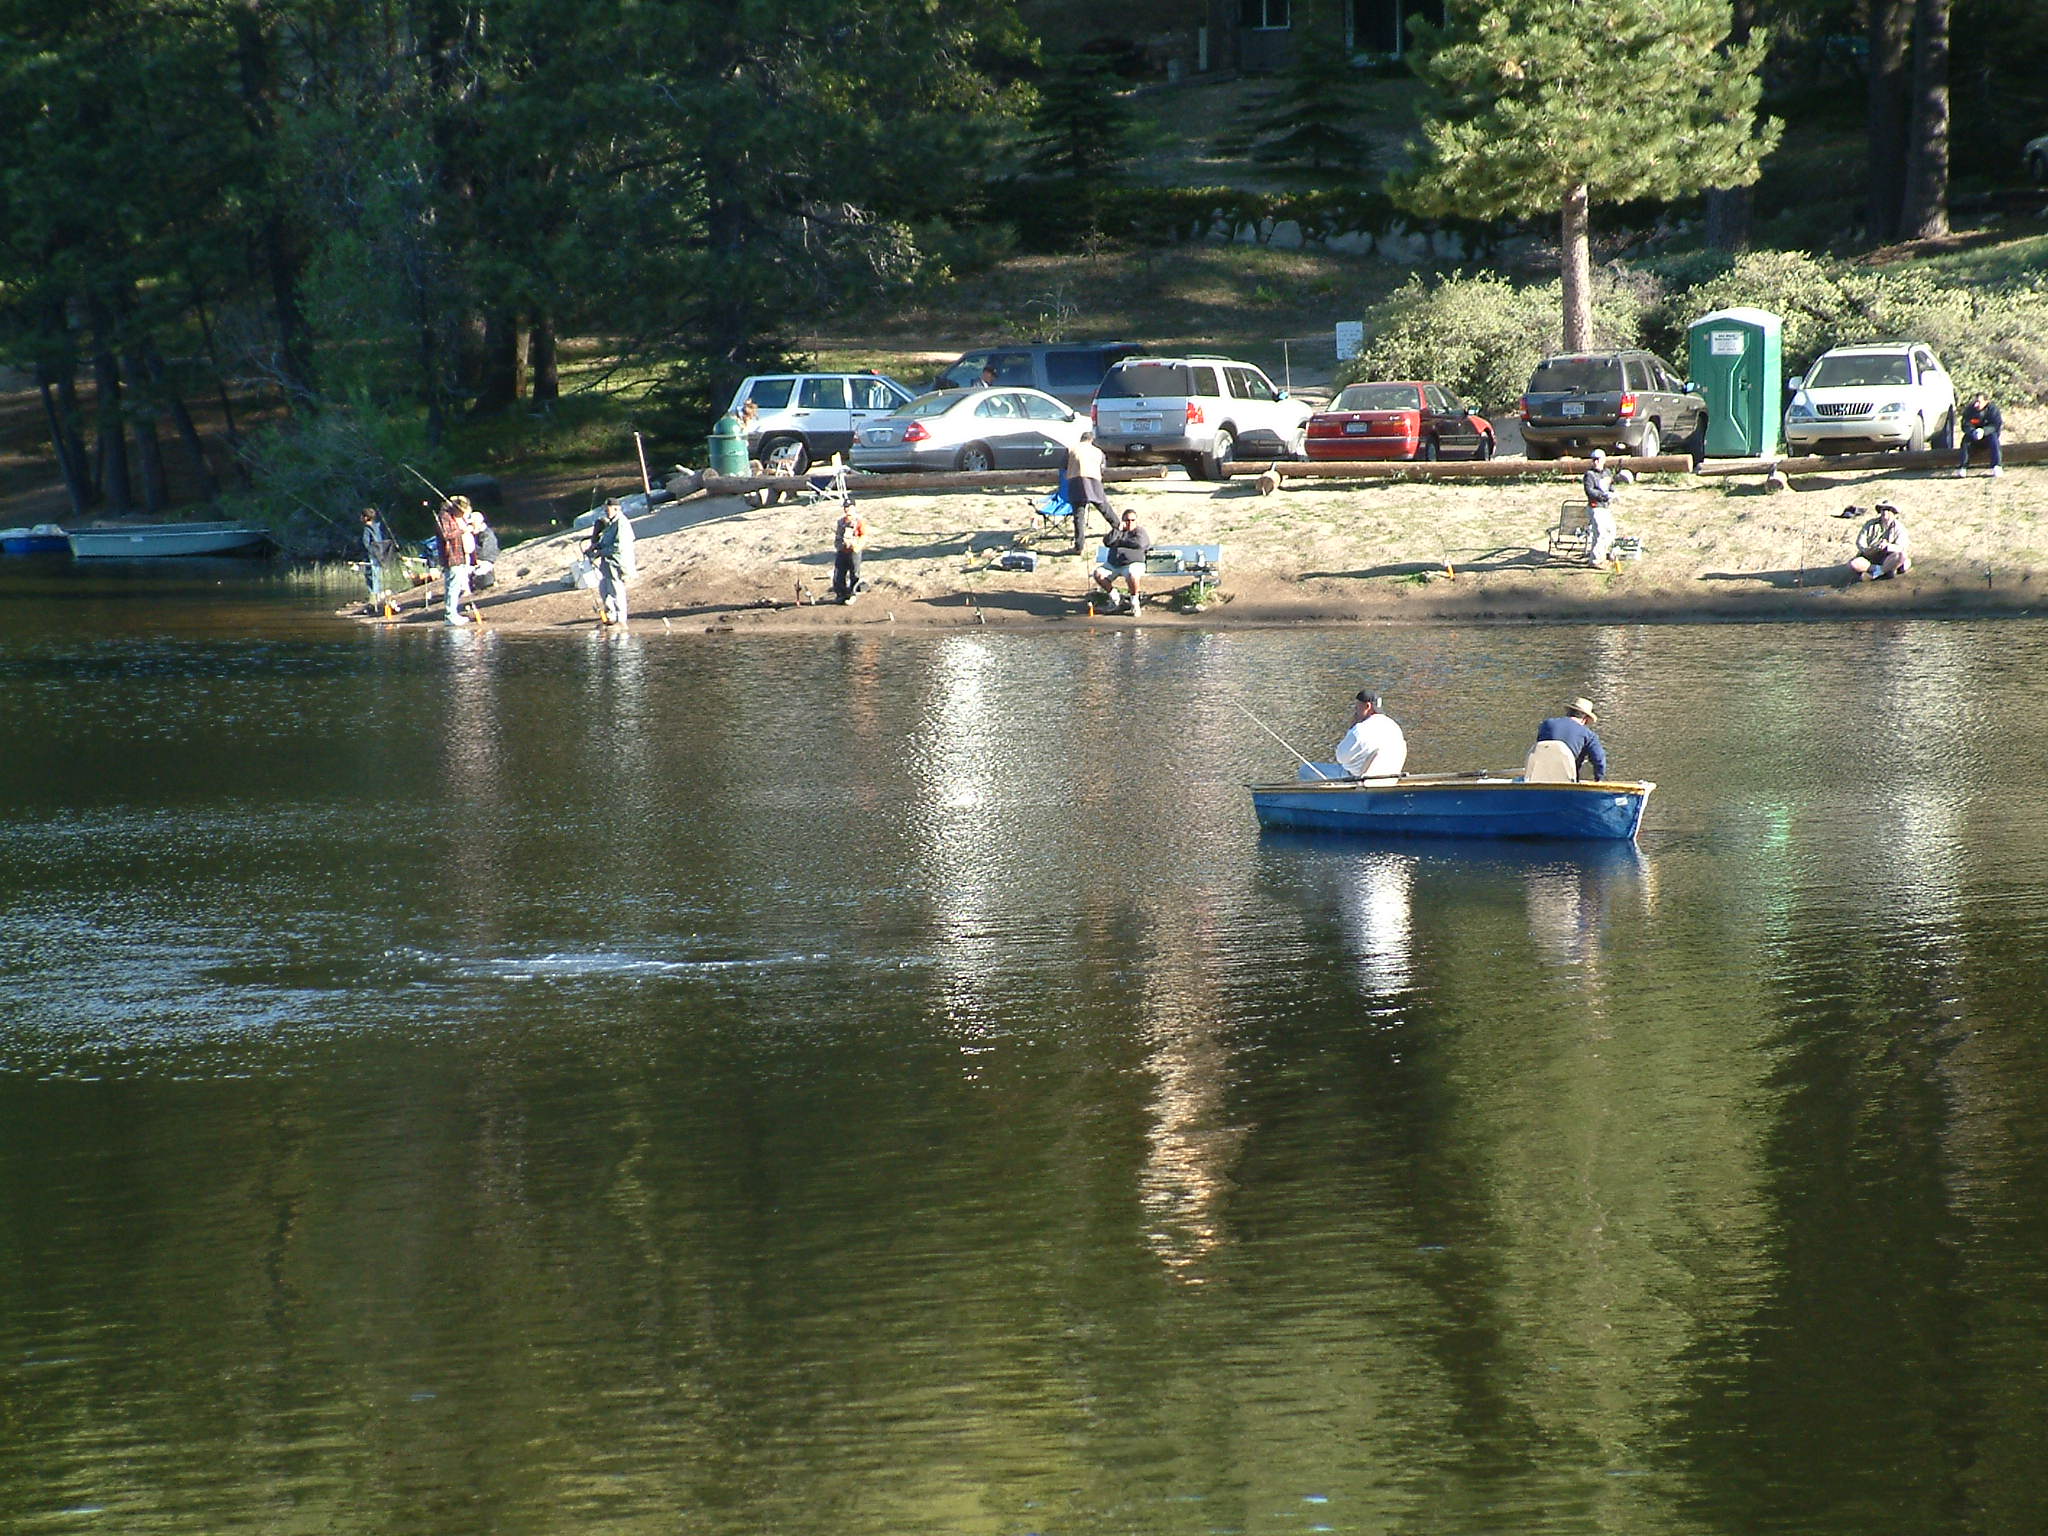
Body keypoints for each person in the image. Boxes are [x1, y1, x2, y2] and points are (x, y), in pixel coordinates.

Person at [1334, 690, 1408, 779]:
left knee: (1313, 769)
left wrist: (1351, 728)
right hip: (1389, 778)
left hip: (1355, 778)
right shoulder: (1394, 726)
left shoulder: (1360, 730)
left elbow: (1340, 757)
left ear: (1367, 706)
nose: (1355, 711)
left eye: (1357, 707)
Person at [1063, 429, 1115, 555]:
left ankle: (1079, 546)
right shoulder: (1098, 451)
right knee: (1104, 507)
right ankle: (1119, 528)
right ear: (1091, 440)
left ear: (1081, 439)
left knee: (1079, 515)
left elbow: (1064, 465)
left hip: (1076, 481)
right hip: (1094, 480)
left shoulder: (1071, 449)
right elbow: (1103, 468)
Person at [585, 498, 636, 625]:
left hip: (617, 563)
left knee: (616, 590)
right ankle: (610, 617)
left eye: (607, 510)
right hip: (607, 563)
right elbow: (606, 541)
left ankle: (621, 620)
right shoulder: (611, 523)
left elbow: (618, 546)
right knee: (604, 590)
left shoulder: (622, 523)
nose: (605, 512)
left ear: (616, 509)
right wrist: (596, 546)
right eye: (605, 510)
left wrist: (600, 552)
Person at [1092, 507, 1152, 614]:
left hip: (1133, 563)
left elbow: (1140, 544)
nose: (1130, 523)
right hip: (1113, 565)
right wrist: (1117, 530)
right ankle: (1115, 597)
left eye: (1132, 520)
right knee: (1098, 574)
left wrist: (1120, 541)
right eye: (1127, 520)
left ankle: (1134, 603)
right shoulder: (1117, 531)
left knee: (1132, 575)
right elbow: (1107, 542)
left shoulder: (1140, 531)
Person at [1534, 697, 1608, 781]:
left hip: (1539, 777)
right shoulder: (1588, 735)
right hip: (1567, 779)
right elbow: (1599, 761)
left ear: (1568, 712)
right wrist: (1599, 779)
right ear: (1586, 719)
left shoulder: (1546, 724)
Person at [434, 495, 476, 625]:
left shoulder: (456, 516)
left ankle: (452, 613)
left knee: (456, 586)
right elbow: (446, 535)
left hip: (460, 554)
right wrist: (463, 530)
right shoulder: (444, 516)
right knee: (453, 586)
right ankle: (450, 615)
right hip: (451, 555)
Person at [1848, 499, 1911, 581]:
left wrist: (1888, 546)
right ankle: (1883, 571)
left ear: (1894, 512)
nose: (1885, 513)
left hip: (1889, 557)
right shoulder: (1870, 524)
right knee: (1853, 564)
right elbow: (1860, 542)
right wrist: (1868, 549)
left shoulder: (1900, 528)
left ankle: (1876, 573)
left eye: (1888, 510)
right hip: (1871, 558)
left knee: (1902, 557)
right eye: (1883, 510)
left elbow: (1901, 547)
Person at [1582, 448, 1618, 565]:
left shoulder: (1607, 472)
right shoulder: (1589, 475)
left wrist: (1613, 493)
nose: (1596, 462)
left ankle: (1601, 553)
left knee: (1611, 531)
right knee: (1600, 533)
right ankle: (1596, 561)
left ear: (1603, 460)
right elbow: (1589, 491)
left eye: (1598, 459)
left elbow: (1611, 485)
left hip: (1606, 507)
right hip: (1595, 507)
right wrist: (1602, 496)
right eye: (1594, 460)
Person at [1956, 392, 2004, 477]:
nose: (1976, 404)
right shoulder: (1970, 410)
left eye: (1979, 402)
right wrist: (1972, 432)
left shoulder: (1993, 410)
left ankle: (1997, 466)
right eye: (1975, 402)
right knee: (1965, 440)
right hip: (1974, 436)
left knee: (1994, 438)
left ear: (1986, 402)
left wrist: (1984, 431)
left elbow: (1995, 425)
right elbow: (1965, 424)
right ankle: (1963, 467)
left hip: (1988, 436)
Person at [359, 507, 397, 612]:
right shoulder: (378, 526)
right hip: (381, 554)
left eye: (361, 516)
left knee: (371, 576)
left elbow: (366, 543)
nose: (360, 518)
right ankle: (377, 599)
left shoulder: (367, 529)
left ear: (366, 518)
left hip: (372, 555)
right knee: (377, 576)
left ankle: (373, 602)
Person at [832, 503, 867, 603]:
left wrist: (855, 546)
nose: (847, 510)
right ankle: (841, 594)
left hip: (854, 551)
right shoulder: (841, 521)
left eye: (849, 507)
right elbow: (838, 535)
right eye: (845, 507)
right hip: (842, 551)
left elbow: (863, 536)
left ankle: (852, 594)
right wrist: (839, 546)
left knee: (854, 573)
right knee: (839, 573)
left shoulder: (859, 521)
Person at [465, 506, 499, 590]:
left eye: (472, 523)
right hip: (474, 561)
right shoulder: (473, 534)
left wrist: (479, 559)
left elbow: (487, 551)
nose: (471, 525)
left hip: (485, 560)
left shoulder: (487, 534)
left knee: (480, 573)